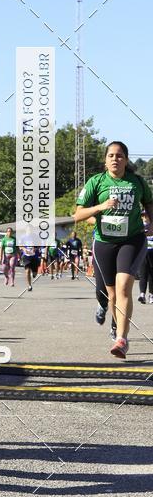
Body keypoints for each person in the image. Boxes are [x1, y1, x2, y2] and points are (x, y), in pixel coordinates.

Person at [75, 141, 153, 359]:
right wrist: (101, 207)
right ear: (105, 160)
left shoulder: (137, 182)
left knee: (124, 288)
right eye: (111, 155)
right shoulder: (96, 182)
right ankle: (114, 321)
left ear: (126, 160)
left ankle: (122, 339)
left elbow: (149, 203)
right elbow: (78, 214)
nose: (115, 159)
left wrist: (152, 222)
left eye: (119, 156)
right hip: (104, 242)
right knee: (110, 294)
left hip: (132, 240)